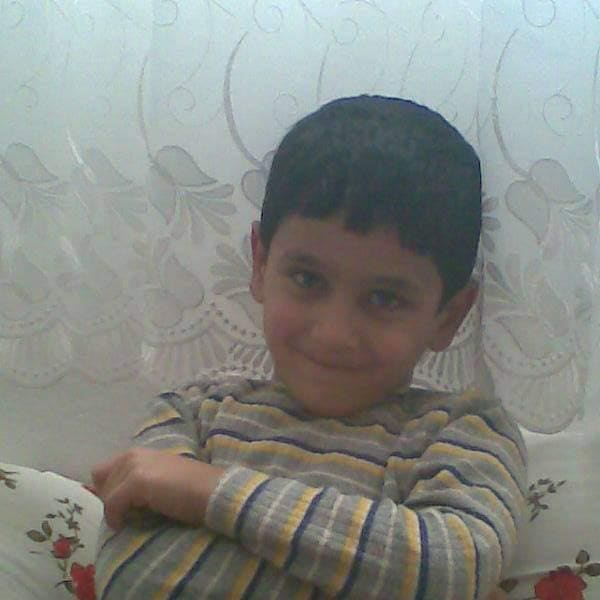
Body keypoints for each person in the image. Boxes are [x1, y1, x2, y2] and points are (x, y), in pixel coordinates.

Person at [92, 95, 526, 599]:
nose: (334, 333)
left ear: (448, 315)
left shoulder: (464, 433)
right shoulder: (189, 411)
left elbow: (453, 566)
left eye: (385, 298)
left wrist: (206, 491)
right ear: (260, 265)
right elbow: (136, 575)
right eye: (307, 278)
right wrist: (378, 573)